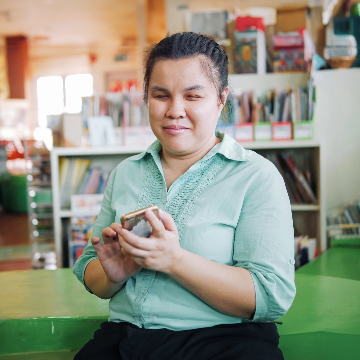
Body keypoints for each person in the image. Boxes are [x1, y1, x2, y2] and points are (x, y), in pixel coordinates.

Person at [73, 32, 296, 360]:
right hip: (125, 339)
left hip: (224, 343)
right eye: (160, 95)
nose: (174, 110)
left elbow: (269, 295)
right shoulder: (125, 174)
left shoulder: (257, 176)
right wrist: (114, 274)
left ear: (221, 99)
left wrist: (174, 260)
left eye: (193, 96)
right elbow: (91, 273)